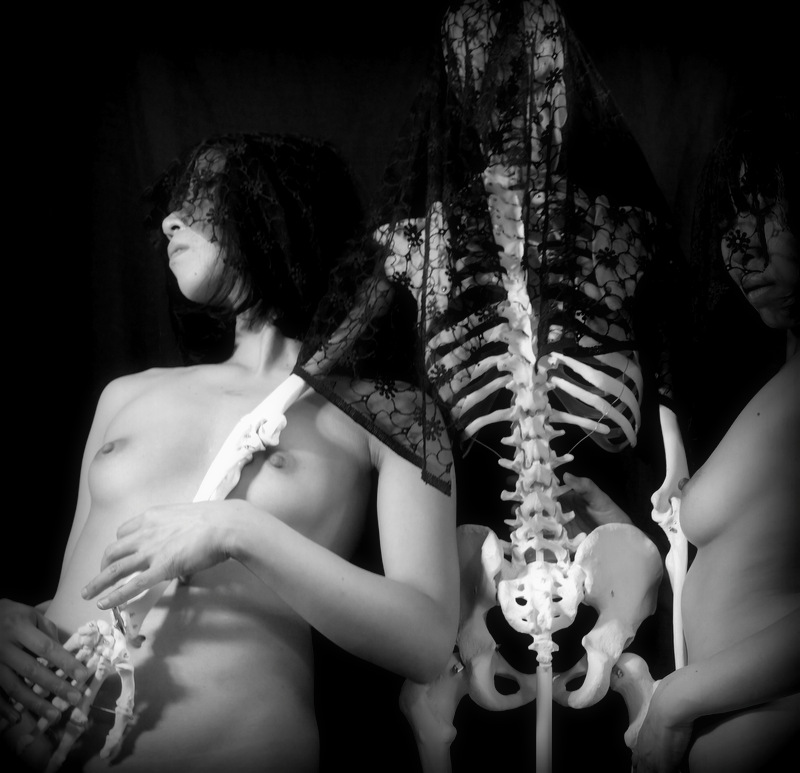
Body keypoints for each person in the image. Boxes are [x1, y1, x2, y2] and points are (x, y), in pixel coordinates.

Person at [0, 133, 459, 773]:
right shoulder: (125, 395)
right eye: (173, 204)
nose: (171, 220)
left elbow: (428, 640)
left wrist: (237, 528)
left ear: (277, 209)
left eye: (200, 198)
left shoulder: (394, 413)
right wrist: (10, 629)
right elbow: (81, 589)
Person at [631, 105, 799, 771]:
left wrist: (678, 700)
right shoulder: (781, 379)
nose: (741, 250)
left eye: (768, 213)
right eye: (731, 220)